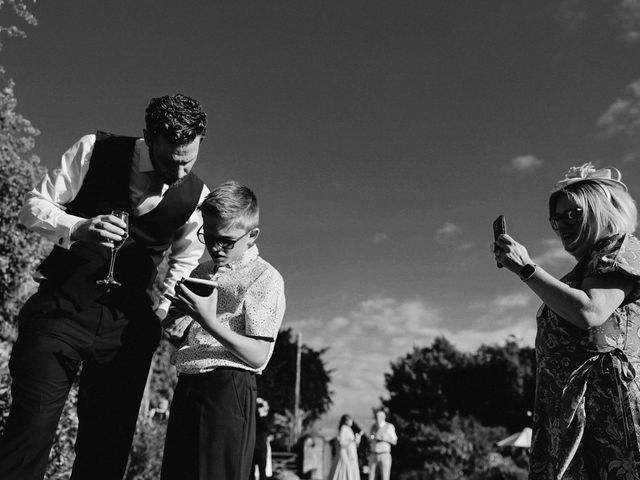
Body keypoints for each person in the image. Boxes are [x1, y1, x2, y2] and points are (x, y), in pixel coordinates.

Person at [0, 93, 209, 480]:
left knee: (106, 456)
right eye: (171, 161)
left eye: (189, 160)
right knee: (27, 437)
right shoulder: (93, 149)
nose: (179, 173)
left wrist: (160, 313)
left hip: (125, 333)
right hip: (60, 311)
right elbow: (32, 207)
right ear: (149, 137)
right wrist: (76, 227)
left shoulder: (197, 197)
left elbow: (183, 263)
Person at [493, 162, 640, 479]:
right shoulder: (577, 275)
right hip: (567, 418)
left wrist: (527, 268)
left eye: (573, 214)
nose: (562, 224)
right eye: (556, 219)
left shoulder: (620, 246)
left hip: (609, 416)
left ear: (603, 211)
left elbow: (590, 312)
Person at [160, 181, 286, 480]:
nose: (215, 247)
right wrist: (177, 327)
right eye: (209, 236)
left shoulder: (264, 278)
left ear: (252, 235)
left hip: (228, 389)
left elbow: (258, 356)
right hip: (188, 384)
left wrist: (208, 321)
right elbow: (188, 332)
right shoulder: (200, 272)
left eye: (226, 241)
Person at [328, 414, 361, 480]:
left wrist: (356, 440)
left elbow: (352, 443)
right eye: (350, 420)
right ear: (346, 421)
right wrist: (352, 440)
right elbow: (342, 443)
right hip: (345, 453)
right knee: (344, 469)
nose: (352, 421)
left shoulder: (349, 429)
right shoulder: (343, 428)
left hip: (350, 453)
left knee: (350, 469)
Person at [367, 409, 397, 480]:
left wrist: (384, 438)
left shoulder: (389, 426)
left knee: (385, 477)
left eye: (378, 416)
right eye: (376, 416)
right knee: (371, 477)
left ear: (383, 417)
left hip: (384, 455)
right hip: (373, 454)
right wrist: (372, 438)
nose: (377, 418)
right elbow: (369, 439)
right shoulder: (373, 427)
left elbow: (394, 441)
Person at [250, 397, 274, 480]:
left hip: (261, 448)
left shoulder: (269, 417)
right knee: (251, 473)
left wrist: (263, 415)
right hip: (252, 448)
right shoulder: (254, 415)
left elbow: (267, 427)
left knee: (262, 473)